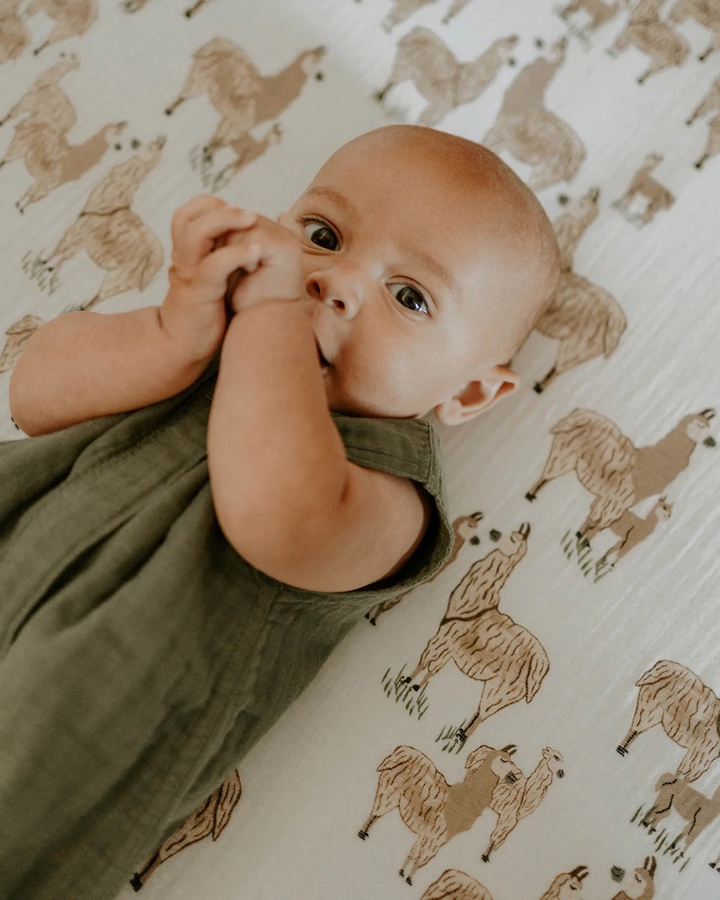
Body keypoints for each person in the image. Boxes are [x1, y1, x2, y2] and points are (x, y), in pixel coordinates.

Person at [1, 124, 560, 899]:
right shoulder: (196, 343)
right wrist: (168, 332)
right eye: (323, 236)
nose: (333, 282)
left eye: (409, 296)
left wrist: (269, 319)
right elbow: (33, 394)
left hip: (69, 716)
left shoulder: (387, 491)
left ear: (468, 391)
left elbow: (280, 515)